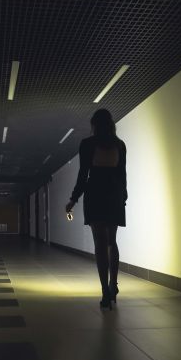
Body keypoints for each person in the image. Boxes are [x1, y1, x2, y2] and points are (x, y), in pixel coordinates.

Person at [65, 108, 127, 310]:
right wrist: (123, 197)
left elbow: (83, 175)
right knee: (112, 241)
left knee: (100, 244)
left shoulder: (88, 144)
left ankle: (105, 291)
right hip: (114, 195)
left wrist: (73, 199)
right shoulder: (120, 145)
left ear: (94, 125)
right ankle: (113, 284)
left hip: (95, 195)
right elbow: (122, 174)